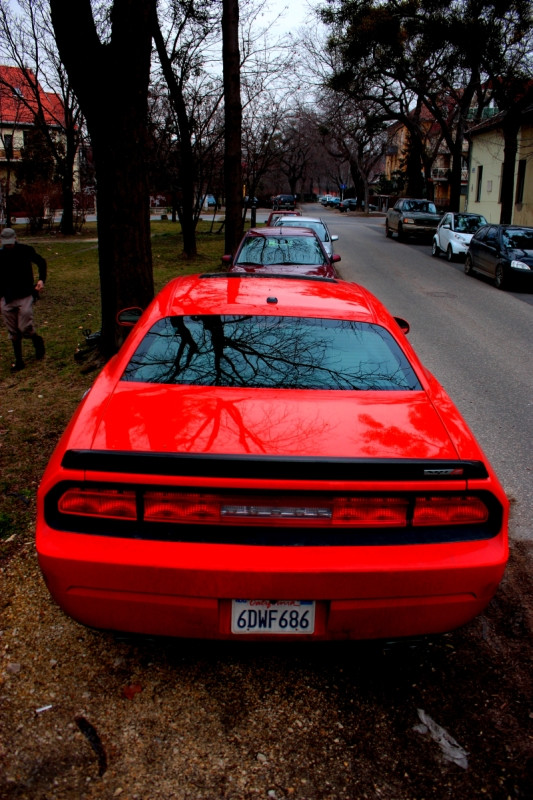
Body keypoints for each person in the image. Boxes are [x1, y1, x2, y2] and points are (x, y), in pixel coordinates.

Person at [0, 227, 47, 372]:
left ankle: (36, 340)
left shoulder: (25, 250)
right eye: (6, 243)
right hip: (6, 298)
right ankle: (19, 361)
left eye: (11, 242)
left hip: (25, 294)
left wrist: (41, 280)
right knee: (13, 332)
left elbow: (41, 262)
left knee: (24, 327)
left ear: (16, 238)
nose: (9, 245)